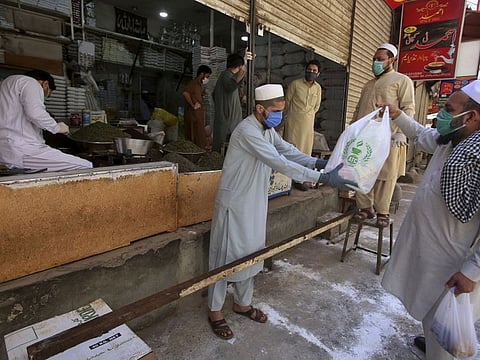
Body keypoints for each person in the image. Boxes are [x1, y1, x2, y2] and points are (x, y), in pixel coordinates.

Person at [207, 84, 357, 340]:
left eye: (281, 110)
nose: (279, 115)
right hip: (235, 203)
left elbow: (287, 150)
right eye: (276, 111)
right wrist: (323, 177)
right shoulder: (247, 131)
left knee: (251, 253)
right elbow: (279, 162)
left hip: (254, 201)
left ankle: (242, 304)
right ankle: (214, 311)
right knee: (224, 256)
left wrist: (320, 162)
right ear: (260, 109)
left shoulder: (267, 130)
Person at [381, 79, 480, 360]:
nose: (442, 116)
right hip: (430, 258)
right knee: (430, 320)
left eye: (449, 109)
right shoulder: (452, 140)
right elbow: (422, 134)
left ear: (471, 117)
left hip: (453, 269)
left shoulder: (474, 157)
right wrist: (397, 114)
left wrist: (471, 273)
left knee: (445, 340)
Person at [352, 43, 415, 227]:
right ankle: (365, 208)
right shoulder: (368, 85)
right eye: (374, 59)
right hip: (364, 138)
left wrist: (402, 132)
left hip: (389, 136)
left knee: (385, 176)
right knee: (361, 172)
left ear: (391, 60)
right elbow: (358, 109)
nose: (375, 63)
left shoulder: (401, 80)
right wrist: (352, 130)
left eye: (380, 59)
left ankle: (382, 212)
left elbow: (408, 107)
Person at [0, 70, 92, 172]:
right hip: (23, 149)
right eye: (48, 94)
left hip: (6, 150)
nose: (44, 97)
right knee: (86, 166)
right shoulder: (30, 83)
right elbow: (35, 113)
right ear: (45, 84)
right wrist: (57, 127)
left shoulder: (6, 84)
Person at [282, 59, 322, 191]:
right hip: (293, 122)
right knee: (291, 150)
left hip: (308, 125)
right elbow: (287, 103)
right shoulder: (295, 84)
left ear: (318, 73)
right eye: (309, 70)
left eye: (314, 71)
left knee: (305, 152)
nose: (311, 72)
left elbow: (316, 107)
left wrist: (308, 116)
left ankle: (299, 180)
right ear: (305, 70)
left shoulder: (318, 88)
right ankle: (285, 180)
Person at [212, 53, 246, 153]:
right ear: (239, 66)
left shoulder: (227, 76)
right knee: (224, 145)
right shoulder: (226, 75)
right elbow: (231, 85)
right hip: (227, 119)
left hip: (226, 117)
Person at [182, 65, 212, 150]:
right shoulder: (193, 83)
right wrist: (192, 105)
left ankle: (199, 151)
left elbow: (195, 96)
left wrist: (202, 94)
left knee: (199, 135)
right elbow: (185, 93)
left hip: (198, 116)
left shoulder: (198, 85)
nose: (207, 79)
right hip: (193, 115)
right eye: (207, 76)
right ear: (202, 74)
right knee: (194, 136)